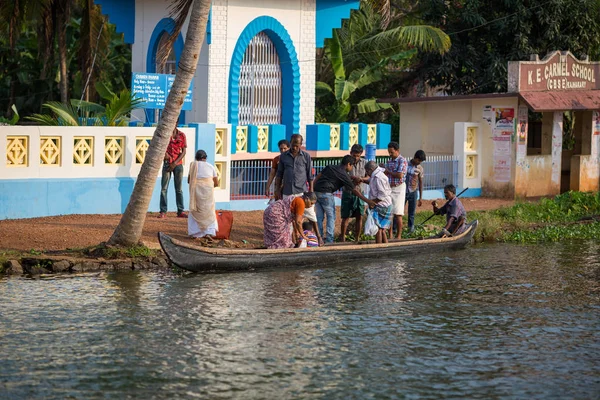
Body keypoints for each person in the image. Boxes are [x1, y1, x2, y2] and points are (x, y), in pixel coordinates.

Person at [275, 134, 323, 245]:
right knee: (289, 219)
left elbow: (310, 176)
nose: (294, 147)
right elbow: (279, 174)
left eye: (297, 145)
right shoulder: (283, 157)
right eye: (292, 145)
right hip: (287, 193)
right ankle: (292, 241)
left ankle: (319, 237)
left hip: (303, 193)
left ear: (301, 145)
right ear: (290, 143)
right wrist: (277, 190)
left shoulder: (306, 156)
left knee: (311, 215)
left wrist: (311, 192)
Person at [313, 155, 357, 243]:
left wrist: (312, 189)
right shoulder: (344, 174)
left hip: (316, 192)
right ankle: (329, 239)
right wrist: (367, 200)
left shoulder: (330, 167)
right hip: (326, 194)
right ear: (348, 164)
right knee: (331, 217)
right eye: (352, 166)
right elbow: (354, 190)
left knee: (319, 217)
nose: (351, 168)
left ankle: (319, 238)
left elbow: (318, 177)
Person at [187, 150, 219, 238]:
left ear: (196, 158)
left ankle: (196, 233)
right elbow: (216, 183)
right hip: (208, 192)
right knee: (209, 210)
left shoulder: (193, 165)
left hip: (196, 192)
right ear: (205, 158)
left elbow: (189, 180)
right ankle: (209, 232)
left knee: (195, 210)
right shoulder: (211, 166)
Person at [340, 144, 368, 243]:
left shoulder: (365, 163)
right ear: (351, 153)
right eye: (354, 155)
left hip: (360, 192)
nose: (356, 158)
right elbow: (342, 175)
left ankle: (357, 238)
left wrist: (362, 179)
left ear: (361, 155)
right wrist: (352, 179)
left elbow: (368, 176)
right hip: (348, 192)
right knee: (345, 217)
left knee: (359, 216)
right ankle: (342, 238)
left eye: (358, 156)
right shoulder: (345, 162)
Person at [159, 127, 187, 218]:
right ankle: (163, 211)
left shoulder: (182, 135)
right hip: (167, 163)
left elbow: (184, 152)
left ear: (177, 123)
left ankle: (180, 211)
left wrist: (174, 163)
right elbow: (160, 148)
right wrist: (166, 157)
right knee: (164, 188)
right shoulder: (165, 134)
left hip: (178, 164)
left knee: (178, 189)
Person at [361, 161, 393, 244]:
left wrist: (372, 203)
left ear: (371, 169)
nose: (367, 173)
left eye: (367, 171)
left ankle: (378, 248)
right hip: (385, 204)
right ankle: (386, 248)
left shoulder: (378, 177)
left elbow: (382, 194)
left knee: (378, 229)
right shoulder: (377, 175)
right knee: (382, 229)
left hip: (382, 205)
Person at [382, 141, 407, 239]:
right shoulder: (389, 161)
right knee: (389, 212)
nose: (390, 154)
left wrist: (388, 171)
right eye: (389, 152)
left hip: (399, 188)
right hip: (390, 188)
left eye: (392, 152)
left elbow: (400, 175)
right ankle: (390, 234)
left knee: (398, 213)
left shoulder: (402, 161)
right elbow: (386, 174)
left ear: (397, 151)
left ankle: (399, 235)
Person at [405, 150, 426, 233]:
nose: (419, 163)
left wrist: (420, 197)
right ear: (415, 157)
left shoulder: (420, 168)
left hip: (413, 192)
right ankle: (395, 229)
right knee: (398, 211)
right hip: (404, 191)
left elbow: (420, 182)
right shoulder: (406, 164)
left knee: (411, 213)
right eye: (419, 160)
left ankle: (410, 230)